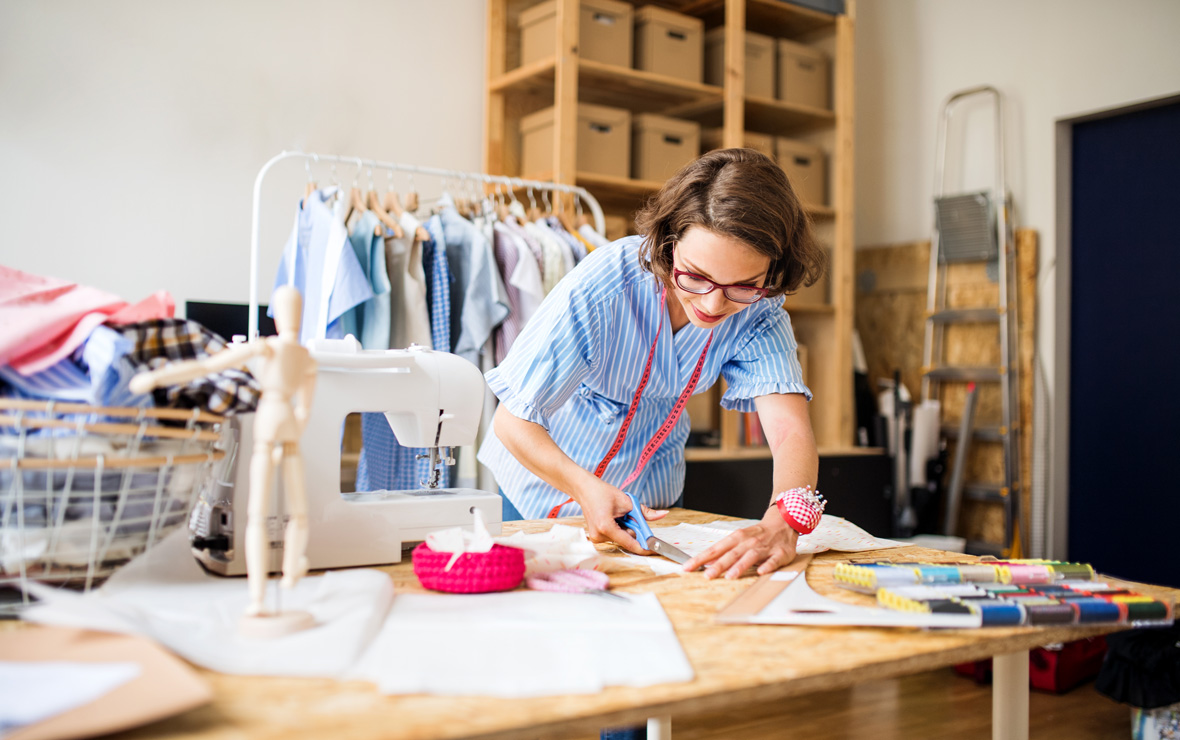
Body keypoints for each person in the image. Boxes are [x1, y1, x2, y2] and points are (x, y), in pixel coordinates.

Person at [478, 148, 828, 582]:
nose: (713, 303)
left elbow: (791, 430)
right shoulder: (607, 284)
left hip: (652, 500)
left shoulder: (761, 310)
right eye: (695, 276)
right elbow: (512, 423)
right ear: (669, 244)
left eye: (743, 285)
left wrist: (784, 521)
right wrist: (584, 487)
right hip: (540, 485)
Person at [131, 286, 317, 635]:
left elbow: (207, 366)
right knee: (295, 511)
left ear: (276, 313)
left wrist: (157, 377)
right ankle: (290, 571)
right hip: (289, 428)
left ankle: (261, 596)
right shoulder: (307, 357)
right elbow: (304, 409)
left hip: (269, 424)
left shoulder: (267, 346)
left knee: (258, 515)